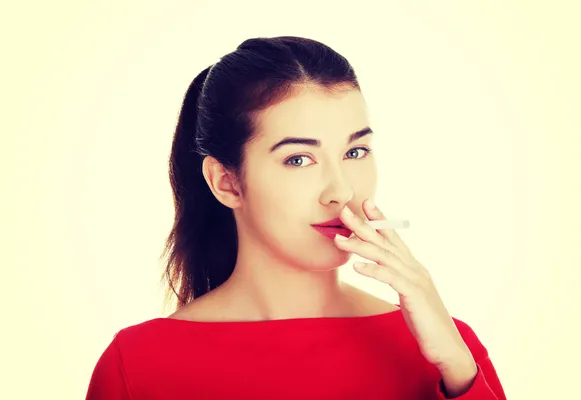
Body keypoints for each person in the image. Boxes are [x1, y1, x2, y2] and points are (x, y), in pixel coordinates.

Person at [85, 36, 506, 399]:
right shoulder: (139, 365)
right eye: (300, 159)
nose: (341, 191)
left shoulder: (448, 348)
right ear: (226, 182)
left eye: (355, 152)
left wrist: (455, 364)